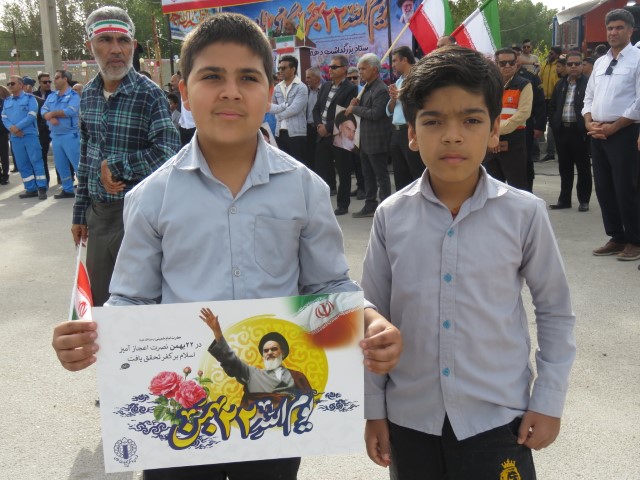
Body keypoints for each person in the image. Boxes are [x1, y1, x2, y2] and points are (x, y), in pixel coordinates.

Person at [52, 13, 401, 480]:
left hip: (270, 423)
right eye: (212, 76)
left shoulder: (305, 190)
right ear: (183, 90)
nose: (231, 92)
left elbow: (327, 285)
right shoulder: (151, 197)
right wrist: (92, 334)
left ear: (270, 91)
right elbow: (132, 299)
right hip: (183, 419)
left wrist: (369, 318)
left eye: (249, 78)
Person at [363, 45, 576, 480]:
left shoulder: (524, 213)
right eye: (433, 121)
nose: (452, 135)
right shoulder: (391, 216)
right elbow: (371, 318)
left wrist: (549, 400)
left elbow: (554, 309)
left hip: (497, 419)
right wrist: (374, 409)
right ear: (411, 132)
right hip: (410, 419)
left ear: (495, 129)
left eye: (471, 120)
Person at [71, 6, 180, 307]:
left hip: (139, 217)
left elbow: (169, 152)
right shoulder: (88, 95)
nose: (116, 50)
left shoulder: (149, 94)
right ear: (90, 46)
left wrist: (117, 166)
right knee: (100, 303)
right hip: (99, 216)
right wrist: (80, 213)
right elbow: (86, 156)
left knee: (140, 303)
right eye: (105, 40)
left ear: (133, 45)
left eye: (123, 41)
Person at [583, 9, 640, 262]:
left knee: (627, 187)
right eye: (610, 28)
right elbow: (589, 97)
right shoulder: (600, 62)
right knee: (604, 188)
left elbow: (639, 101)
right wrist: (589, 122)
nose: (613, 32)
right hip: (598, 132)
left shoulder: (637, 59)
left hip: (625, 132)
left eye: (619, 27)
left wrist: (615, 126)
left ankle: (635, 240)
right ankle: (617, 236)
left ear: (630, 30)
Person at [201, 308, 313, 409]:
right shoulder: (252, 374)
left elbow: (309, 404)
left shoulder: (297, 377)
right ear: (263, 355)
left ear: (282, 352)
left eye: (274, 349)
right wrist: (217, 333)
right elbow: (231, 359)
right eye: (266, 351)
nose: (269, 353)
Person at [346, 53, 392, 218]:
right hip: (365, 140)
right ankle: (370, 205)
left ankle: (385, 207)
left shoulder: (381, 89)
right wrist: (356, 104)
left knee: (381, 176)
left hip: (377, 139)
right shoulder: (366, 87)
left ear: (374, 70)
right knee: (368, 175)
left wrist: (355, 109)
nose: (360, 72)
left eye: (363, 69)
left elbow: (376, 113)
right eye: (359, 69)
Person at [548, 52, 591, 211]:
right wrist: (554, 124)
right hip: (562, 131)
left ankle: (584, 200)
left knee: (583, 167)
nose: (573, 67)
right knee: (564, 167)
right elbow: (552, 106)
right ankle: (564, 200)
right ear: (565, 66)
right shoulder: (560, 84)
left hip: (580, 132)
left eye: (577, 64)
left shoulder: (589, 84)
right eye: (570, 64)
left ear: (582, 65)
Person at [483, 48, 532, 191]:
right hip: (490, 140)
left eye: (511, 62)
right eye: (503, 63)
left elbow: (523, 114)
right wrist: (491, 135)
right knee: (492, 185)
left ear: (517, 64)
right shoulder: (488, 85)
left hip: (514, 140)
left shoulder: (524, 84)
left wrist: (496, 132)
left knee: (516, 186)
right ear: (496, 64)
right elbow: (483, 112)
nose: (508, 66)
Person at [313, 54, 358, 206]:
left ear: (344, 69)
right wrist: (319, 125)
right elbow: (316, 109)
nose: (330, 69)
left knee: (343, 170)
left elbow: (346, 113)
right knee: (322, 170)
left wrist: (327, 127)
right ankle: (322, 204)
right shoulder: (325, 86)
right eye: (329, 67)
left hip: (339, 134)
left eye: (334, 67)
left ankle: (343, 204)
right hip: (322, 135)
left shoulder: (351, 88)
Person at [1, 75, 48, 199]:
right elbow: (4, 117)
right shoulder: (7, 101)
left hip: (29, 136)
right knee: (22, 164)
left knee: (36, 161)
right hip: (15, 138)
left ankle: (42, 188)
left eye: (12, 83)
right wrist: (12, 129)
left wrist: (17, 127)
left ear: (21, 85)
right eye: (8, 84)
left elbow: (31, 115)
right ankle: (30, 188)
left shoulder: (30, 99)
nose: (10, 86)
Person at [387, 45, 424, 191]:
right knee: (400, 175)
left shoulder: (419, 77)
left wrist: (400, 95)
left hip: (411, 130)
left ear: (405, 60)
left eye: (395, 61)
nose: (393, 65)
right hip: (396, 132)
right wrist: (393, 98)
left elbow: (420, 102)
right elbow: (389, 110)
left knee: (416, 171)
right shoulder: (399, 81)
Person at [41, 70, 81, 199]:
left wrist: (52, 114)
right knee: (61, 164)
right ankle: (67, 189)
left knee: (77, 163)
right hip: (56, 136)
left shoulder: (73, 96)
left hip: (70, 135)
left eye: (57, 77)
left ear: (65, 79)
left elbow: (70, 111)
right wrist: (49, 116)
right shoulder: (52, 96)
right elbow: (43, 109)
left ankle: (86, 190)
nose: (54, 80)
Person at [515, 46, 546, 191]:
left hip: (526, 126)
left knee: (525, 160)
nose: (509, 64)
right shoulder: (497, 78)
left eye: (516, 56)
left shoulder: (530, 77)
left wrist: (539, 126)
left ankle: (527, 191)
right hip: (503, 128)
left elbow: (540, 104)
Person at [270, 55, 308, 162]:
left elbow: (295, 109)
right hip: (279, 132)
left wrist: (279, 114)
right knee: (283, 164)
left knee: (297, 164)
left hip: (296, 133)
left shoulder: (301, 87)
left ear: (293, 69)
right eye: (279, 68)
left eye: (283, 68)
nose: (280, 71)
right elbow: (271, 106)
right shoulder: (277, 87)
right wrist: (281, 109)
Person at [539, 46, 562, 161]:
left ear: (557, 55)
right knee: (543, 123)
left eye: (552, 53)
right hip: (544, 98)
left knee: (553, 125)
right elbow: (540, 79)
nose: (549, 55)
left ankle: (553, 151)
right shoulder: (544, 66)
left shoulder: (559, 66)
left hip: (555, 98)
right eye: (549, 53)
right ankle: (549, 152)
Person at [304, 66, 322, 170]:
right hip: (308, 128)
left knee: (320, 158)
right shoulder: (305, 91)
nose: (306, 80)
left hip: (320, 128)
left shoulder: (324, 90)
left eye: (308, 77)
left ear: (317, 78)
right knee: (309, 157)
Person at [0, 95, 9, 185]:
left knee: (4, 155)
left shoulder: (3, 102)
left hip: (2, 133)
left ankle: (5, 176)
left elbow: (6, 117)